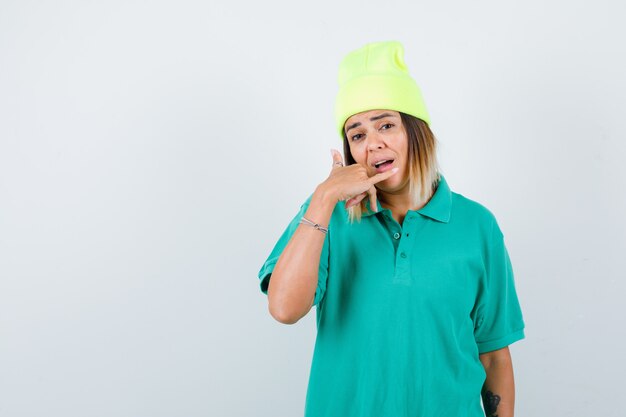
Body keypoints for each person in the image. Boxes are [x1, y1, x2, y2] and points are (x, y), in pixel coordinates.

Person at [257, 40, 525, 417]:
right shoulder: (325, 218)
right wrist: (323, 197)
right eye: (357, 134)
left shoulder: (477, 225)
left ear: (416, 132)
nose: (374, 143)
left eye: (386, 124)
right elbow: (284, 308)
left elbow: (495, 355)